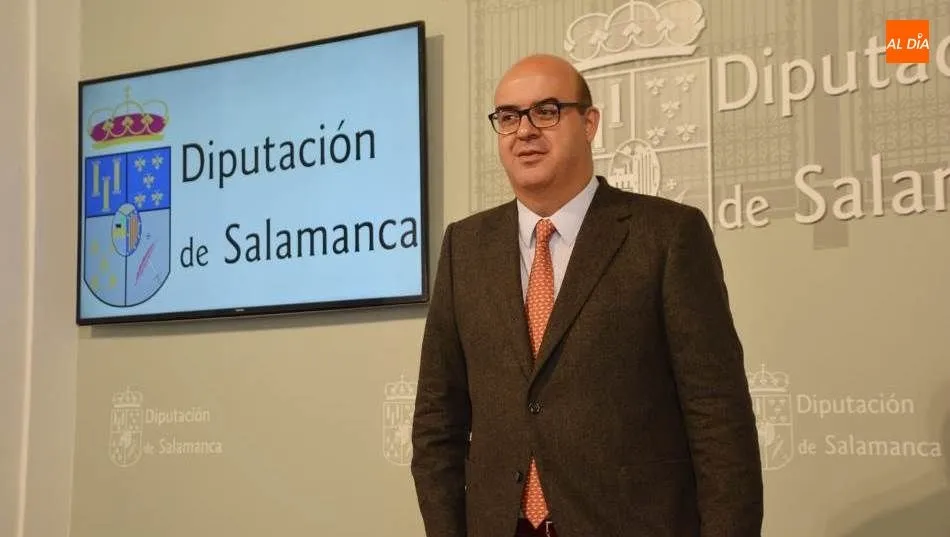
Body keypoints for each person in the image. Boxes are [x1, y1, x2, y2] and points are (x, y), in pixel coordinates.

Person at [410, 53, 763, 537]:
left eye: (547, 110)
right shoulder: (464, 247)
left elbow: (718, 418)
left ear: (590, 122)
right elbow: (437, 420)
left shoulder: (666, 235)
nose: (525, 130)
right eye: (509, 117)